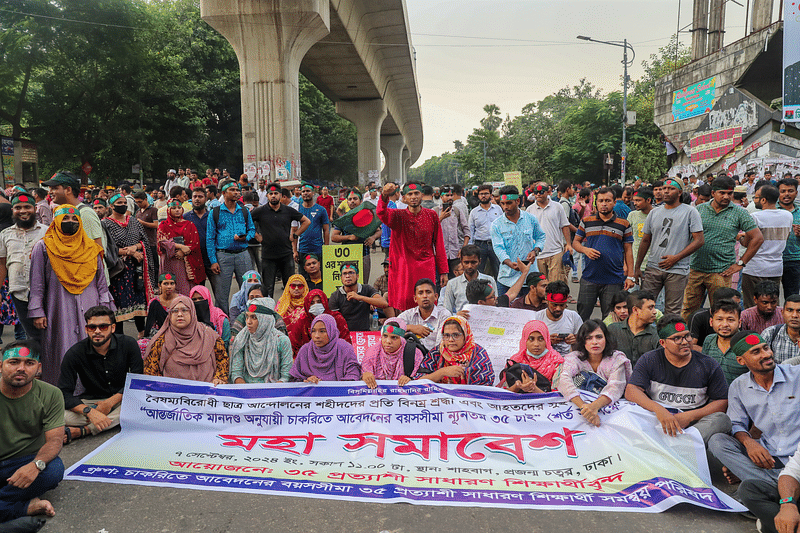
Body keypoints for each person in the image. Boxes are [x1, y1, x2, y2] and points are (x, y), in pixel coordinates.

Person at [707, 330, 800, 508]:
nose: (766, 355)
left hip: (798, 457)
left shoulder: (796, 375)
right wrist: (749, 443)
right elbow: (736, 424)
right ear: (741, 361)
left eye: (765, 348)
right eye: (756, 352)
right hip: (768, 457)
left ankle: (759, 486)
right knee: (717, 441)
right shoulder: (739, 386)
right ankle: (776, 486)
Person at [29, 205, 114, 385]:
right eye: (65, 219)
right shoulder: (44, 247)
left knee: (93, 346)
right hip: (58, 307)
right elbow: (37, 284)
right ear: (56, 222)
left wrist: (105, 311)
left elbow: (101, 283)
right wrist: (37, 311)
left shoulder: (92, 248)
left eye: (75, 219)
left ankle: (91, 387)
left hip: (90, 305)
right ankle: (62, 390)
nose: (70, 222)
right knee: (61, 346)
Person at [625, 314, 731, 445]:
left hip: (694, 425)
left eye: (687, 336)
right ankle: (679, 445)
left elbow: (722, 401)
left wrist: (689, 416)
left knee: (722, 420)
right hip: (657, 420)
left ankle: (678, 445)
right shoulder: (649, 360)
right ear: (663, 343)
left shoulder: (708, 364)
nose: (685, 341)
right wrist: (659, 410)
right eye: (677, 338)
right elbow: (631, 390)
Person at [0, 341, 64, 523]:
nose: (21, 368)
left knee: (53, 470)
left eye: (29, 363)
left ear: (38, 368)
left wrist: (36, 465)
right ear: (1, 365)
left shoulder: (51, 394)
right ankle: (24, 507)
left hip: (25, 460)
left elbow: (54, 441)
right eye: (13, 362)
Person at [683, 176, 763, 320]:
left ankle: (717, 341)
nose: (726, 196)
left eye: (729, 193)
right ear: (713, 193)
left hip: (721, 272)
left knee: (720, 311)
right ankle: (689, 338)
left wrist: (741, 263)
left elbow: (758, 238)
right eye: (722, 193)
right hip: (696, 268)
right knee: (689, 310)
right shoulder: (699, 210)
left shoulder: (739, 213)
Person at [58, 306, 142, 443]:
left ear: (113, 328)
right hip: (92, 402)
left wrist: (109, 403)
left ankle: (84, 431)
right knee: (61, 416)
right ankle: (105, 420)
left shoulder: (128, 344)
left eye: (103, 327)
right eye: (92, 327)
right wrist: (90, 412)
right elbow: (64, 393)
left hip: (123, 399)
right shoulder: (75, 353)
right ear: (86, 329)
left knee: (139, 406)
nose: (97, 331)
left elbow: (137, 380)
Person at [636, 178, 705, 316]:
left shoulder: (690, 212)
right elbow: (645, 240)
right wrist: (637, 267)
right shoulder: (654, 213)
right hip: (653, 267)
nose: (666, 191)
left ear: (679, 192)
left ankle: (668, 337)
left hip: (677, 270)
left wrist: (676, 258)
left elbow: (699, 240)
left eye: (671, 188)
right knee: (644, 307)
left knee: (672, 311)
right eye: (664, 188)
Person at [377, 182, 449, 312]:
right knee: (405, 306)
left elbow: (439, 245)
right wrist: (384, 195)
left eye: (416, 193)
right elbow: (381, 213)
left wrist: (443, 271)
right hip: (404, 269)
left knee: (427, 303)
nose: (414, 196)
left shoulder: (431, 216)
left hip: (426, 267)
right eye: (410, 194)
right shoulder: (397, 216)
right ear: (404, 198)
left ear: (422, 195)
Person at [573, 186, 635, 321]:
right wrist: (585, 250)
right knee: (582, 316)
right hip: (590, 277)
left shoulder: (624, 224)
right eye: (600, 201)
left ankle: (609, 342)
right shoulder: (587, 221)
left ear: (614, 202)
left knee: (611, 319)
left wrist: (631, 276)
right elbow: (576, 243)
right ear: (596, 203)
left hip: (614, 279)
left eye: (607, 200)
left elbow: (629, 251)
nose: (604, 204)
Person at [558, 320, 633, 427]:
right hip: (581, 408)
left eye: (599, 337)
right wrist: (585, 408)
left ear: (606, 339)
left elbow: (615, 387)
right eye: (589, 338)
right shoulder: (574, 357)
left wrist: (594, 406)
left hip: (610, 409)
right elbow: (563, 379)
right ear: (582, 341)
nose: (594, 342)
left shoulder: (617, 359)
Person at [103, 193, 156, 338]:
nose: (123, 205)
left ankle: (142, 336)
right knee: (119, 304)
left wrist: (135, 248)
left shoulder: (133, 221)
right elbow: (107, 248)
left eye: (124, 202)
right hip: (118, 270)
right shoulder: (106, 224)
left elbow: (144, 241)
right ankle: (119, 339)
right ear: (112, 206)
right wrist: (130, 252)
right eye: (119, 203)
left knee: (139, 300)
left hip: (136, 268)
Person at [143, 295, 228, 384]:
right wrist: (162, 387)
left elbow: (222, 360)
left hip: (207, 393)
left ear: (192, 312)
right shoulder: (161, 340)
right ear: (170, 315)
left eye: (184, 310)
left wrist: (219, 379)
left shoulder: (209, 336)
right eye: (175, 311)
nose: (180, 314)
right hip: (172, 394)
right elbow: (151, 372)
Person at [0, 194, 47, 344]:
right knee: (31, 335)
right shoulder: (5, 235)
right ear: (12, 210)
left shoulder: (47, 232)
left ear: (35, 208)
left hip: (45, 292)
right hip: (18, 292)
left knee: (47, 334)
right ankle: (36, 366)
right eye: (18, 208)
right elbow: (2, 264)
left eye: (27, 207)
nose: (23, 211)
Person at [206, 179, 256, 315]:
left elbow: (252, 230)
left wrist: (246, 237)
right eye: (232, 190)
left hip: (243, 254)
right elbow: (210, 238)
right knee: (222, 293)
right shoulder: (215, 212)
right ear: (223, 193)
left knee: (248, 288)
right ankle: (223, 322)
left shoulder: (244, 210)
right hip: (223, 256)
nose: (236, 193)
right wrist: (213, 261)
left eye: (237, 190)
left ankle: (248, 317)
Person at [251, 183, 309, 299]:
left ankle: (289, 313)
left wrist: (296, 235)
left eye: (276, 193)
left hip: (286, 255)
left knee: (290, 287)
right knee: (267, 288)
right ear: (267, 196)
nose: (273, 196)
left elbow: (306, 221)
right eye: (271, 194)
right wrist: (257, 236)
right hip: (268, 255)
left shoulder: (288, 210)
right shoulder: (260, 211)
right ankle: (268, 313)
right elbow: (245, 223)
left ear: (281, 195)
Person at [741, 185, 792, 308]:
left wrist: (739, 237)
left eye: (756, 197)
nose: (755, 200)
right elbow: (786, 237)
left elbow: (747, 242)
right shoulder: (788, 216)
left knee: (752, 307)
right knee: (772, 305)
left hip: (754, 268)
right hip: (776, 268)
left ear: (763, 200)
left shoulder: (755, 217)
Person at [491, 185, 546, 297]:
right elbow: (498, 248)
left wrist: (535, 251)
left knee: (530, 312)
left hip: (530, 279)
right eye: (502, 203)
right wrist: (509, 263)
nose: (505, 207)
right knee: (505, 311)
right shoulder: (496, 225)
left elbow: (541, 237)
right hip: (507, 279)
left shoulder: (530, 219)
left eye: (509, 203)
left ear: (518, 201)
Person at [414, 315, 493, 386]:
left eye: (456, 335)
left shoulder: (479, 354)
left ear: (466, 335)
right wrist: (442, 372)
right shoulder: (436, 352)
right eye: (446, 335)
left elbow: (486, 386)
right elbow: (418, 382)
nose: (451, 340)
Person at [229, 298, 293, 384]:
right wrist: (247, 392)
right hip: (247, 390)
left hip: (274, 390)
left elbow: (286, 376)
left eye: (254, 317)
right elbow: (236, 373)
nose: (248, 322)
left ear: (265, 319)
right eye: (247, 317)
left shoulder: (281, 340)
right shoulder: (241, 339)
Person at [289, 314, 361, 383]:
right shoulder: (305, 350)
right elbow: (294, 379)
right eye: (313, 331)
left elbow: (353, 375)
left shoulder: (344, 348)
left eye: (322, 331)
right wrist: (306, 380)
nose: (316, 336)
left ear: (331, 331)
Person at [499, 319, 563, 393]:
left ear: (546, 340)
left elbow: (557, 396)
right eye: (531, 339)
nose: (536, 344)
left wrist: (534, 389)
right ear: (525, 340)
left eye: (541, 339)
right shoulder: (514, 361)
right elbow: (503, 393)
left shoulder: (556, 361)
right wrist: (517, 386)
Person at [156, 199, 204, 297]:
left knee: (185, 289)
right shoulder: (163, 225)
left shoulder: (189, 225)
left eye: (179, 208)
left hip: (185, 263)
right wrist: (180, 246)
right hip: (169, 262)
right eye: (173, 208)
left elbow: (195, 243)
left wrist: (184, 252)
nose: (177, 210)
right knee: (169, 288)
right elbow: (161, 242)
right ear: (168, 210)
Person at [526, 182, 572, 283]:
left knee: (556, 284)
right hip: (537, 254)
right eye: (536, 192)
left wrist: (568, 244)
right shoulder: (529, 210)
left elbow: (565, 226)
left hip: (555, 252)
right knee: (541, 286)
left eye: (541, 192)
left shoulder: (558, 207)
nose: (538, 194)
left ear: (549, 192)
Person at [331, 190, 381, 283]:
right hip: (347, 255)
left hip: (364, 254)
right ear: (347, 202)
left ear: (361, 201)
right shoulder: (344, 219)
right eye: (350, 199)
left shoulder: (368, 215)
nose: (352, 201)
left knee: (363, 283)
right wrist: (349, 237)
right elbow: (334, 237)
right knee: (347, 284)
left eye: (355, 198)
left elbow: (379, 231)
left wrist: (373, 238)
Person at [361, 318, 423, 388]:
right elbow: (365, 373)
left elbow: (421, 377)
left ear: (401, 338)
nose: (388, 341)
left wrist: (411, 379)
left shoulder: (414, 353)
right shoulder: (372, 353)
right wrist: (365, 376)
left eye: (394, 337)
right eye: (385, 336)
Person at [287, 289, 352, 355]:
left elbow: (346, 343)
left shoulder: (336, 318)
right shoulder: (303, 321)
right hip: (308, 358)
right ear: (307, 305)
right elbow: (292, 344)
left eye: (319, 302)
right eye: (312, 303)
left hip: (334, 356)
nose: (316, 305)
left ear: (324, 302)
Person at [328, 263, 388, 332]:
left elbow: (384, 303)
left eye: (351, 273)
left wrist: (360, 297)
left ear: (357, 276)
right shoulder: (335, 296)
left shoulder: (367, 289)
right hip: (345, 334)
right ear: (341, 278)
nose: (347, 276)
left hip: (365, 333)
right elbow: (333, 322)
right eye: (344, 273)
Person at [607, 290, 660, 366]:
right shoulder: (613, 330)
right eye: (650, 308)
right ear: (635, 310)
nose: (655, 312)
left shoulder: (656, 334)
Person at [397, 278, 449, 353]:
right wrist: (410, 327)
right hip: (411, 356)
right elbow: (386, 330)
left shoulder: (444, 315)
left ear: (436, 297)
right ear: (415, 298)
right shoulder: (409, 314)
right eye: (420, 293)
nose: (425, 296)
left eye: (428, 292)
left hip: (434, 357)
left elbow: (441, 346)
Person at [441, 244, 497, 314]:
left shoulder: (490, 280)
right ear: (461, 261)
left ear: (479, 261)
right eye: (466, 262)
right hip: (461, 322)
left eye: (473, 262)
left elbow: (495, 305)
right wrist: (457, 316)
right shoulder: (452, 284)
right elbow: (446, 311)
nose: (470, 266)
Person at [531, 281, 582, 356]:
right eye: (554, 305)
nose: (558, 309)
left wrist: (575, 340)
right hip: (542, 358)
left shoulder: (573, 316)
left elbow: (584, 341)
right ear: (546, 300)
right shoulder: (536, 318)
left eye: (562, 305)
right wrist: (546, 342)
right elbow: (527, 343)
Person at [703, 298, 746, 384]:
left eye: (730, 320)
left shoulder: (748, 344)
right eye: (719, 319)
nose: (725, 324)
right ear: (711, 322)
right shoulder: (708, 340)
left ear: (739, 323)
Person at [434, 185, 470, 277]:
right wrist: (441, 218)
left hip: (456, 254)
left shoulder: (457, 211)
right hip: (440, 255)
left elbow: (467, 230)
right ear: (441, 197)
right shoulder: (434, 211)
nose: (450, 198)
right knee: (441, 281)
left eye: (451, 195)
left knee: (456, 280)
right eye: (447, 195)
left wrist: (463, 248)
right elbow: (429, 230)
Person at [468, 183, 503, 277]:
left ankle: (498, 290)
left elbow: (503, 226)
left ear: (491, 195)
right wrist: (470, 247)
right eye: (481, 194)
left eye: (486, 193)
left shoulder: (498, 209)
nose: (484, 196)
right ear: (478, 195)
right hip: (480, 245)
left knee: (498, 270)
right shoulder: (474, 212)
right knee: (479, 271)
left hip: (495, 244)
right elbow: (470, 230)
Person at [189, 285, 231, 352]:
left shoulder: (220, 318)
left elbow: (225, 343)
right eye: (194, 300)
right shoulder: (189, 318)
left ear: (208, 299)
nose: (198, 302)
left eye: (201, 299)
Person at [778, 177, 800, 298]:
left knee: (792, 297)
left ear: (796, 193)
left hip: (794, 260)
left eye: (790, 191)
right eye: (783, 191)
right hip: (773, 259)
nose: (786, 194)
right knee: (770, 298)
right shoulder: (771, 210)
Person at [761, 295, 800, 363]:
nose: (794, 315)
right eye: (790, 310)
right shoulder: (770, 334)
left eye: (799, 311)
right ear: (782, 312)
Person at [296, 184, 330, 258]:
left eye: (308, 191)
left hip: (317, 248)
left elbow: (326, 230)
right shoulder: (297, 209)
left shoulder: (321, 210)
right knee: (303, 269)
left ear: (313, 193)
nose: (305, 193)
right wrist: (295, 250)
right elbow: (294, 229)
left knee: (319, 269)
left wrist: (326, 248)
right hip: (302, 248)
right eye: (303, 191)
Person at [143, 273, 180, 339]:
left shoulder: (181, 300)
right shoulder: (154, 302)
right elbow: (152, 326)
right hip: (159, 334)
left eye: (172, 283)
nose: (169, 287)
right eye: (165, 284)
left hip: (179, 334)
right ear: (159, 285)